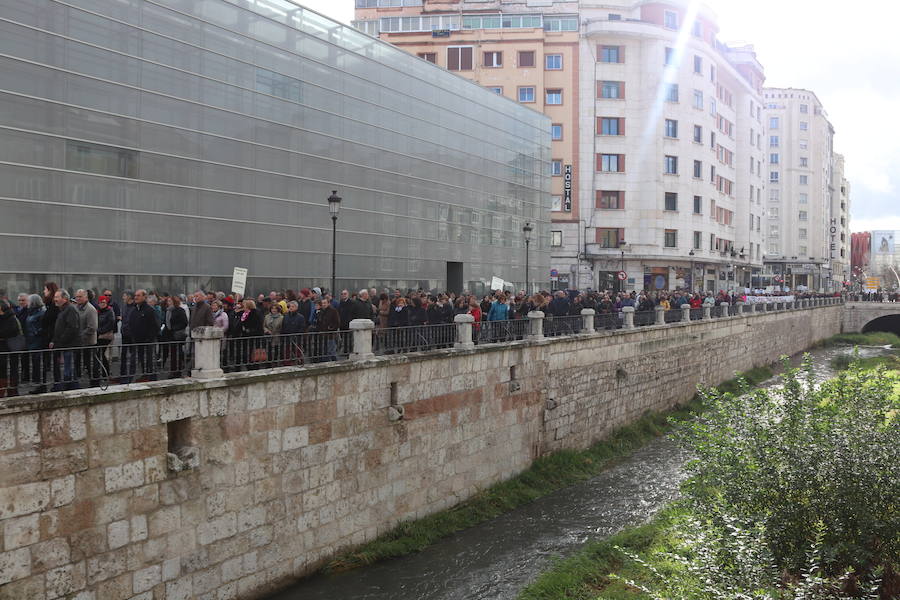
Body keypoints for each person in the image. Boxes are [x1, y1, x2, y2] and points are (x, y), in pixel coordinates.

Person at [50, 290, 80, 391]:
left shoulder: (70, 309)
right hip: (65, 344)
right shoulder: (63, 309)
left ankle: (69, 388)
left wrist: (61, 341)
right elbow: (59, 327)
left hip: (69, 345)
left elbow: (72, 328)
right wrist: (54, 340)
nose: (55, 299)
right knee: (69, 368)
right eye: (55, 297)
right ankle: (73, 387)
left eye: (57, 297)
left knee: (69, 369)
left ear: (65, 298)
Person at [74, 289, 99, 387]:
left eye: (80, 297)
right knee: (78, 363)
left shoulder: (90, 309)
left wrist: (80, 336)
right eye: (77, 297)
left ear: (86, 297)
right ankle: (75, 383)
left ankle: (95, 383)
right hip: (79, 342)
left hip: (89, 342)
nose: (78, 298)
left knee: (91, 364)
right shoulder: (76, 307)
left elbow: (92, 327)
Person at [0, 299, 24, 397]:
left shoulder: (11, 318)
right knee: (2, 370)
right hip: (3, 348)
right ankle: (2, 390)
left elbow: (10, 332)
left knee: (12, 369)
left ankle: (12, 391)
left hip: (11, 348)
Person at [96, 296, 116, 380]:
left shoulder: (109, 311)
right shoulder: (98, 311)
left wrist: (100, 331)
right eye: (100, 302)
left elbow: (110, 324)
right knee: (100, 354)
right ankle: (104, 373)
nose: (102, 304)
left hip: (106, 336)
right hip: (99, 335)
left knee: (100, 353)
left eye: (103, 302)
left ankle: (106, 373)